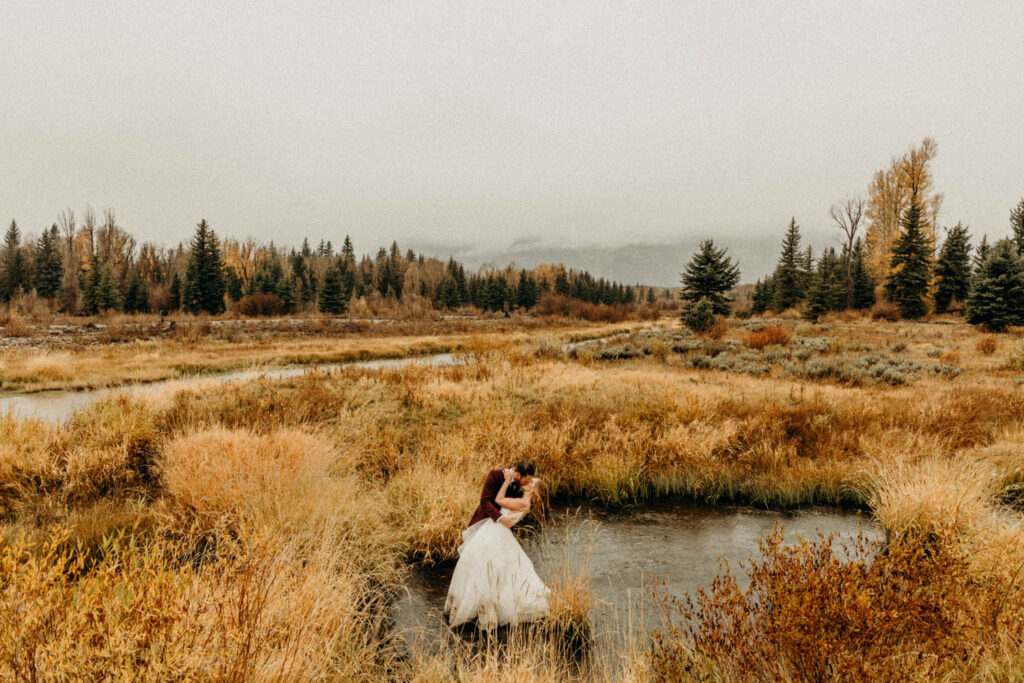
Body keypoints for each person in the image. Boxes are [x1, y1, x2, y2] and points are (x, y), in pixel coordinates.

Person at [445, 465, 550, 629]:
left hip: (496, 532)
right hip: (495, 531)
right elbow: (488, 501)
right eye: (528, 480)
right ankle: (481, 606)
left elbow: (499, 500)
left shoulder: (523, 502)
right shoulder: (523, 499)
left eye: (531, 483)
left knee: (484, 568)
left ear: (533, 491)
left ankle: (484, 609)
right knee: (489, 568)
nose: (528, 483)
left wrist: (507, 481)